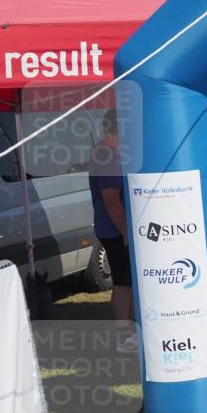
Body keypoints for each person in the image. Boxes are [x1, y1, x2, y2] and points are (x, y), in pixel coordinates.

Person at [89, 109, 136, 350]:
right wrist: (126, 230)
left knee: (129, 281)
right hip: (115, 230)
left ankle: (132, 332)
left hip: (119, 229)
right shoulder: (107, 154)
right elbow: (111, 200)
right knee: (124, 282)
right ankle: (124, 336)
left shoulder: (114, 152)